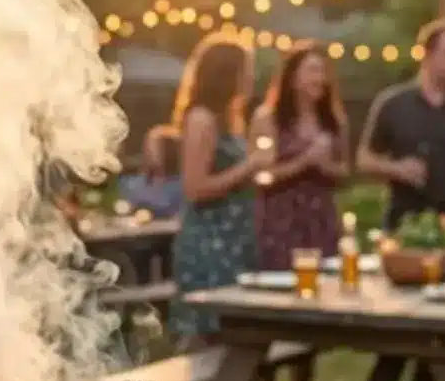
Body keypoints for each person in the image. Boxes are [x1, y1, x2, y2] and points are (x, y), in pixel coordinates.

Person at [168, 34, 270, 341]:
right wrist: (249, 166)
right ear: (226, 74)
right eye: (245, 71)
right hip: (210, 243)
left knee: (238, 331)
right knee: (209, 333)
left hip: (234, 240)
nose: (250, 78)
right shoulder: (201, 119)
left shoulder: (227, 118)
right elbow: (195, 188)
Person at [356, 20, 445, 229]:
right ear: (426, 55)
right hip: (402, 222)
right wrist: (396, 169)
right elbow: (364, 159)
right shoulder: (392, 103)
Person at [251, 43, 348, 270]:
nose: (320, 78)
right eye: (313, 70)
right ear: (293, 78)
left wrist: (325, 165)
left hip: (322, 220)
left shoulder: (334, 121)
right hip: (280, 221)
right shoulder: (268, 119)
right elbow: (260, 176)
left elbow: (344, 171)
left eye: (323, 71)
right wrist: (304, 161)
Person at [117, 125, 185, 219]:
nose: (152, 151)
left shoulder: (183, 187)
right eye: (150, 145)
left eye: (161, 145)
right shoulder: (129, 184)